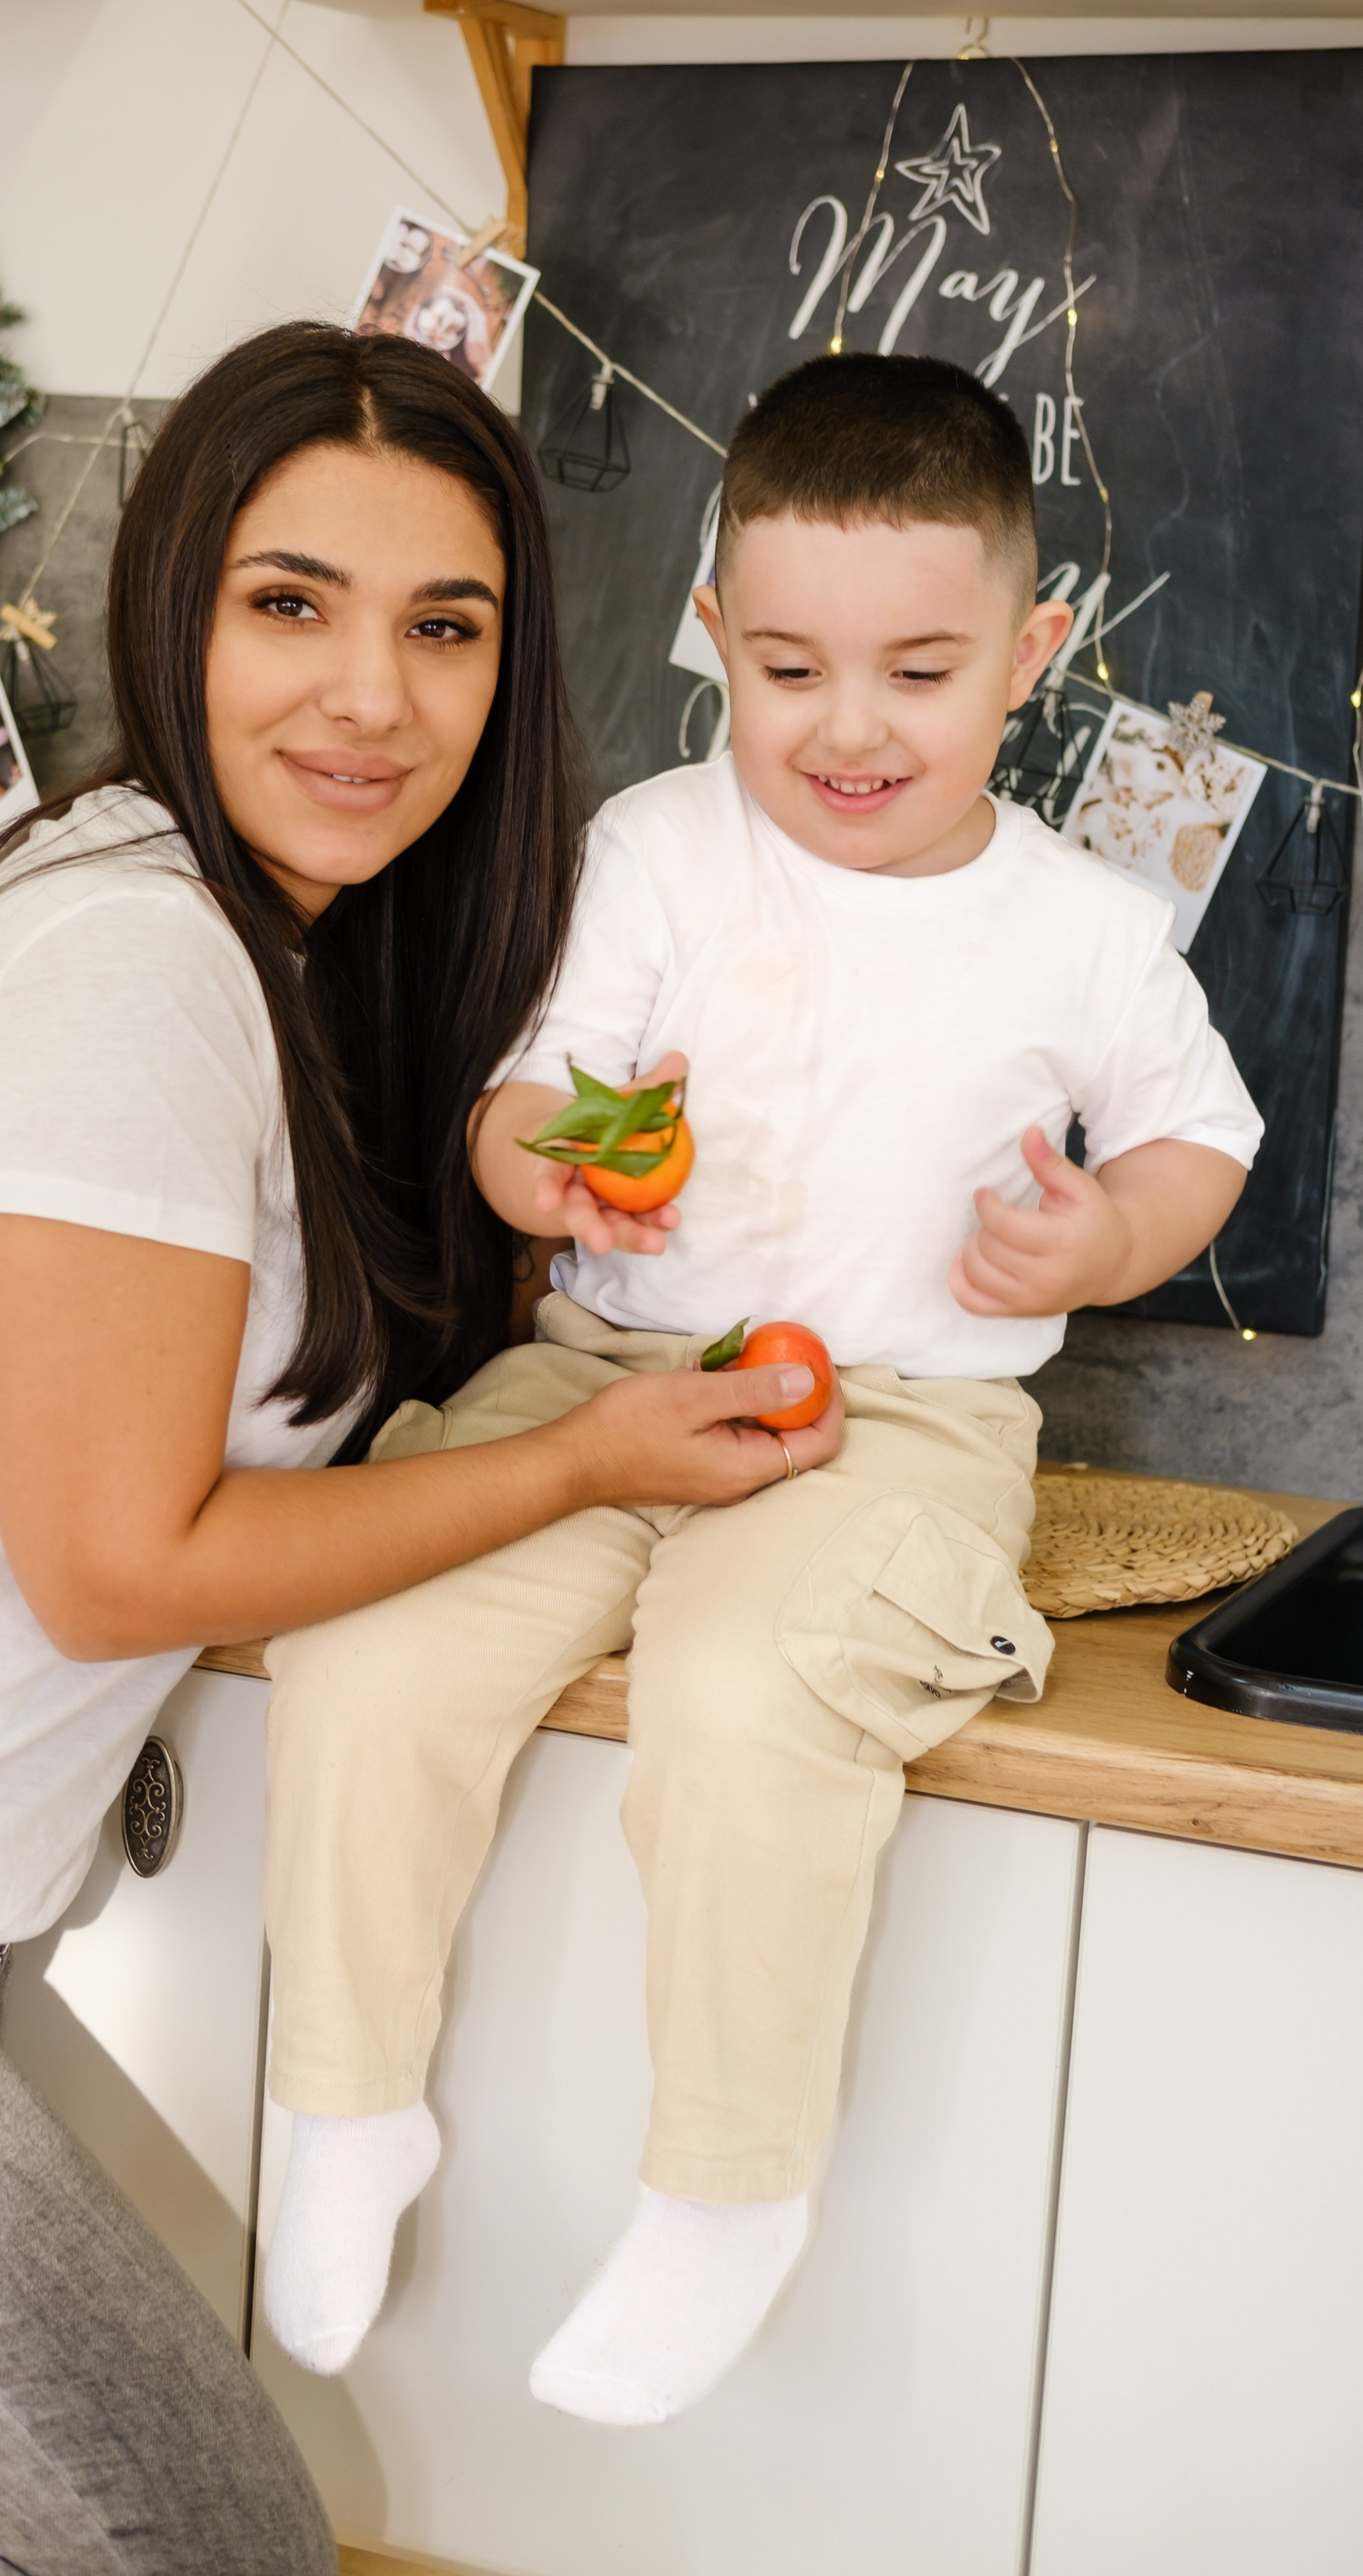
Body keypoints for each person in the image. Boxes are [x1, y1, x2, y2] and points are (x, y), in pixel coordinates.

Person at [0, 323, 813, 2573]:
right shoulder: (136, 958)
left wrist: (552, 1224)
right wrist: (587, 1459)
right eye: (290, 603)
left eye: (447, 627)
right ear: (173, 603)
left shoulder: (257, 955)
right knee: (201, 2542)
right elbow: (116, 1560)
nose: (372, 694)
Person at [258, 352, 1265, 2428]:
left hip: (900, 1422)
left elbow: (1196, 1144)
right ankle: (341, 2105)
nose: (849, 726)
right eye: (791, 664)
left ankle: (727, 2188)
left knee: (743, 1689)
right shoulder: (653, 844)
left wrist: (1101, 1242)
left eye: (919, 667)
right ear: (714, 631)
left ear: (1034, 652)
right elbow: (532, 1096)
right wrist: (530, 1152)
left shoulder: (1081, 929)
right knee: (363, 1650)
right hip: (608, 1368)